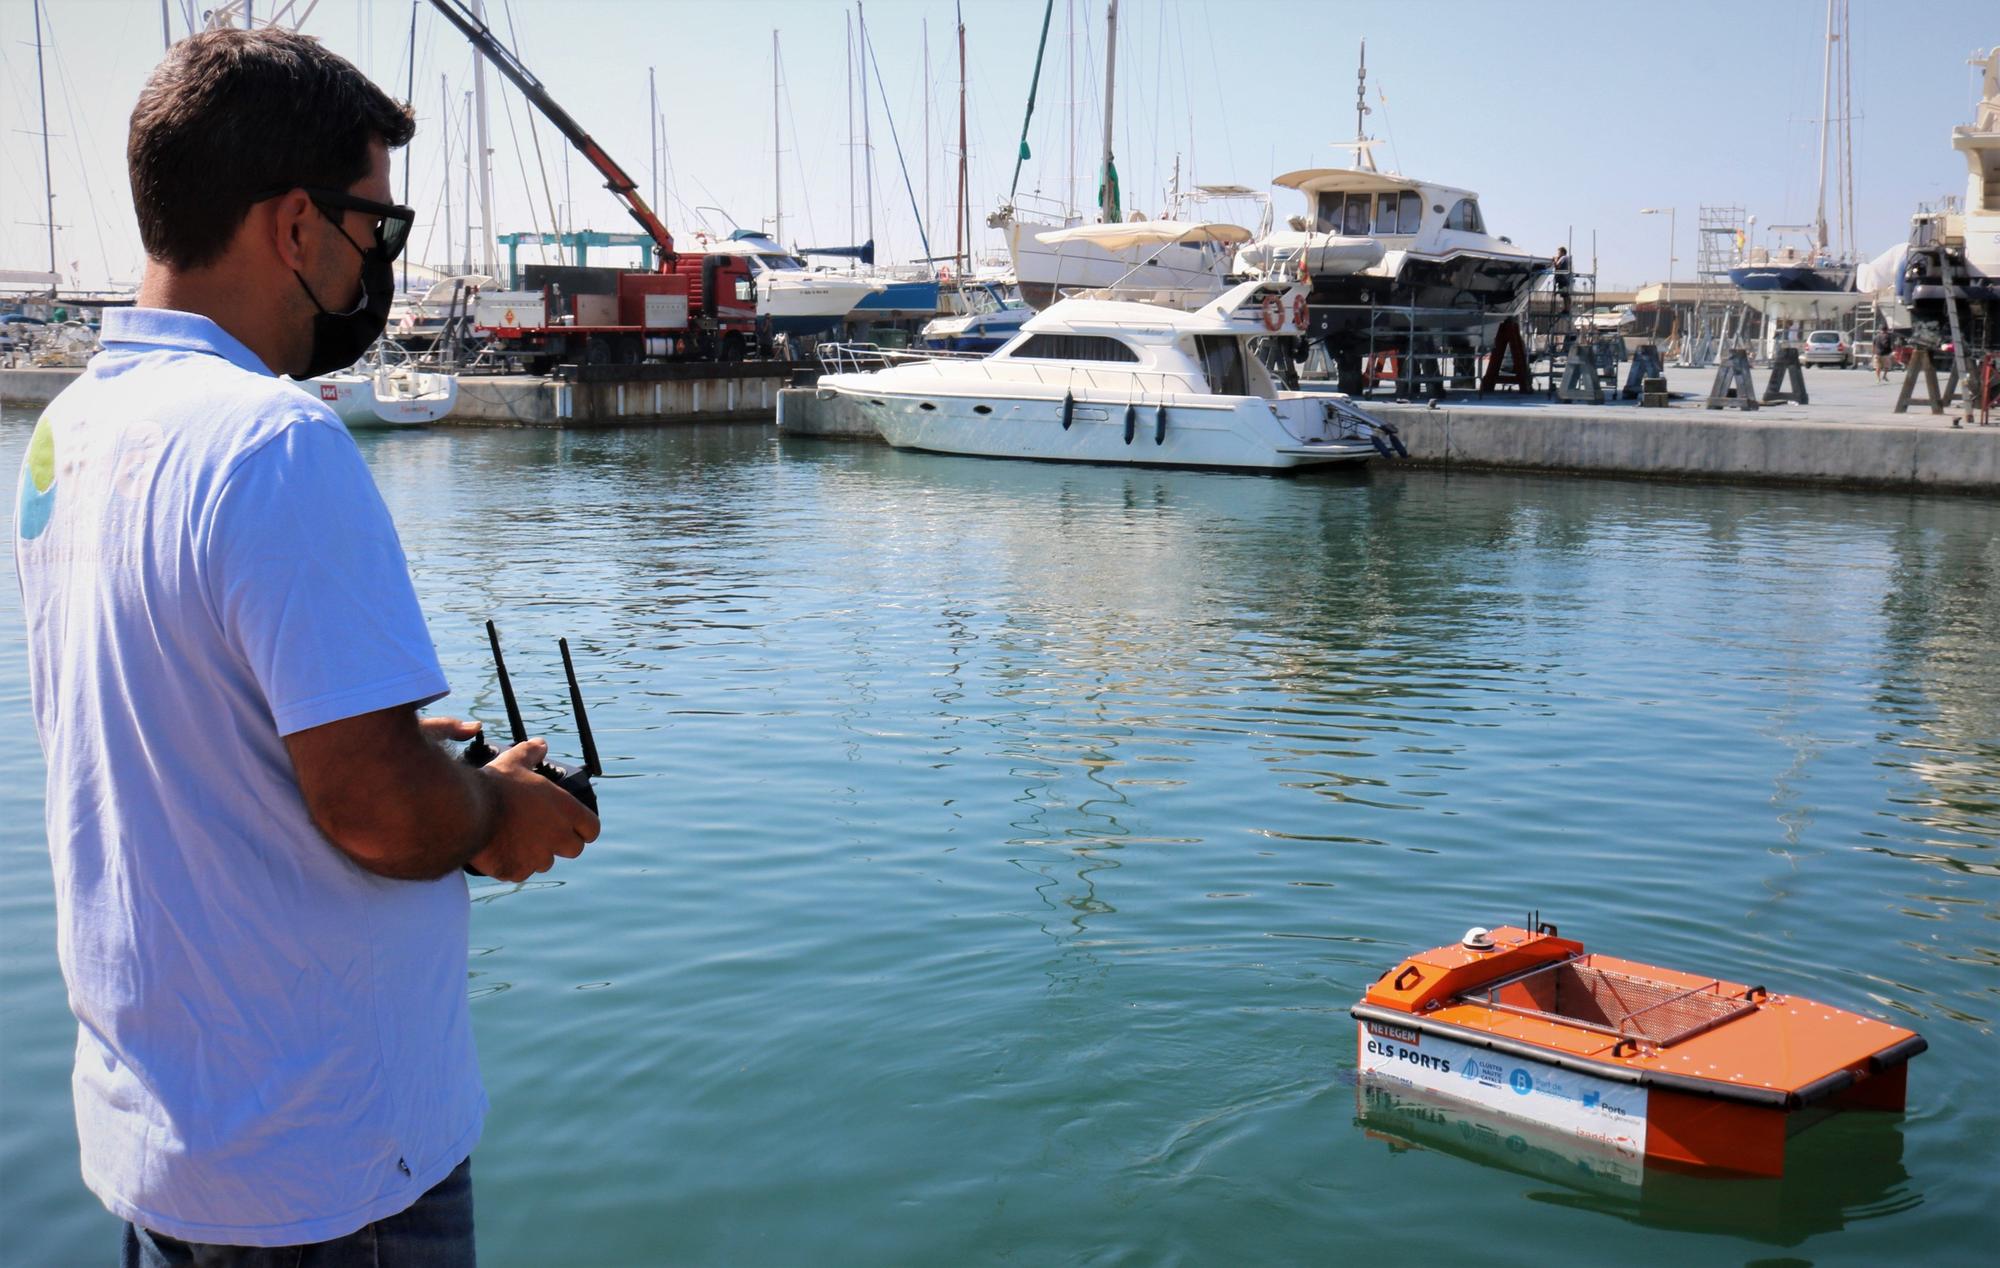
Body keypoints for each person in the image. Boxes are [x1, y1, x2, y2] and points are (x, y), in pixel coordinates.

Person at [11, 28, 598, 1266]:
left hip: (164, 1153)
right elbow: (382, 813)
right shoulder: (273, 440)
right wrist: (494, 813)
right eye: (373, 227)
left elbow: (181, 725)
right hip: (329, 1173)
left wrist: (378, 742)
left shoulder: (67, 434)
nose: (380, 258)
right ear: (294, 226)